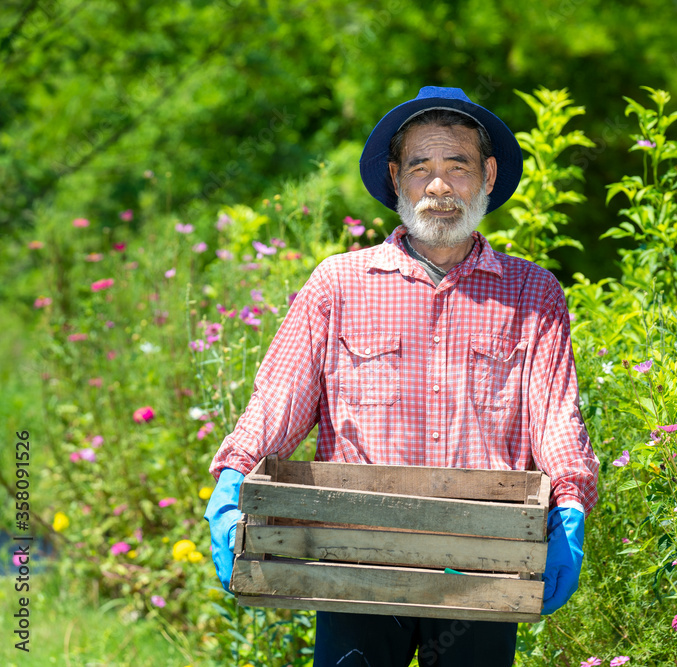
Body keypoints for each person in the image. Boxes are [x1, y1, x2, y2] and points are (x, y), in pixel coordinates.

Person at [204, 86, 599, 667]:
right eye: (421, 167)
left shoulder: (532, 294)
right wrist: (234, 479)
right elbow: (278, 400)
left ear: (488, 175)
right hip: (355, 555)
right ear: (396, 178)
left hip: (482, 559)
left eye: (457, 166)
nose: (439, 187)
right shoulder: (338, 285)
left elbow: (556, 417)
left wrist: (570, 505)